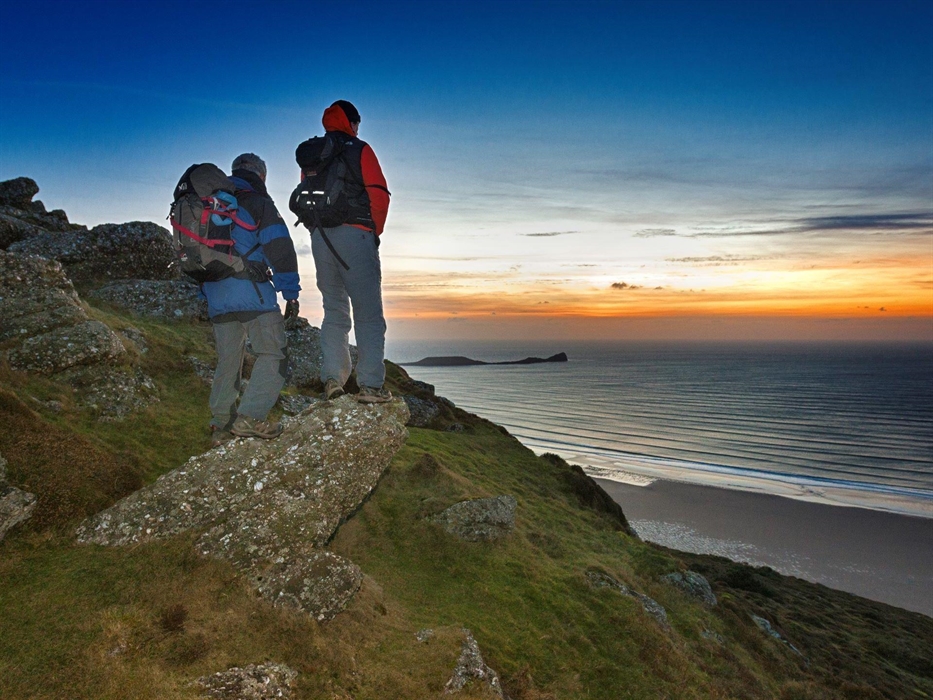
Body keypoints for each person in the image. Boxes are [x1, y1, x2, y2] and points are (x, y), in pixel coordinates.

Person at [204, 153, 301, 446]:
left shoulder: (207, 204)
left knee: (228, 360)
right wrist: (291, 294)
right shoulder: (258, 202)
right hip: (252, 293)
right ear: (261, 175)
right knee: (274, 354)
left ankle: (220, 425)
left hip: (215, 294)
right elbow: (280, 248)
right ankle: (249, 417)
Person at [308, 100, 392, 403]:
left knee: (334, 311)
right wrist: (372, 233)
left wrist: (319, 233)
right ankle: (370, 386)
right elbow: (379, 194)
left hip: (320, 238)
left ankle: (333, 380)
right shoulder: (360, 149)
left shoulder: (315, 154)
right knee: (369, 315)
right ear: (352, 123)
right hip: (355, 235)